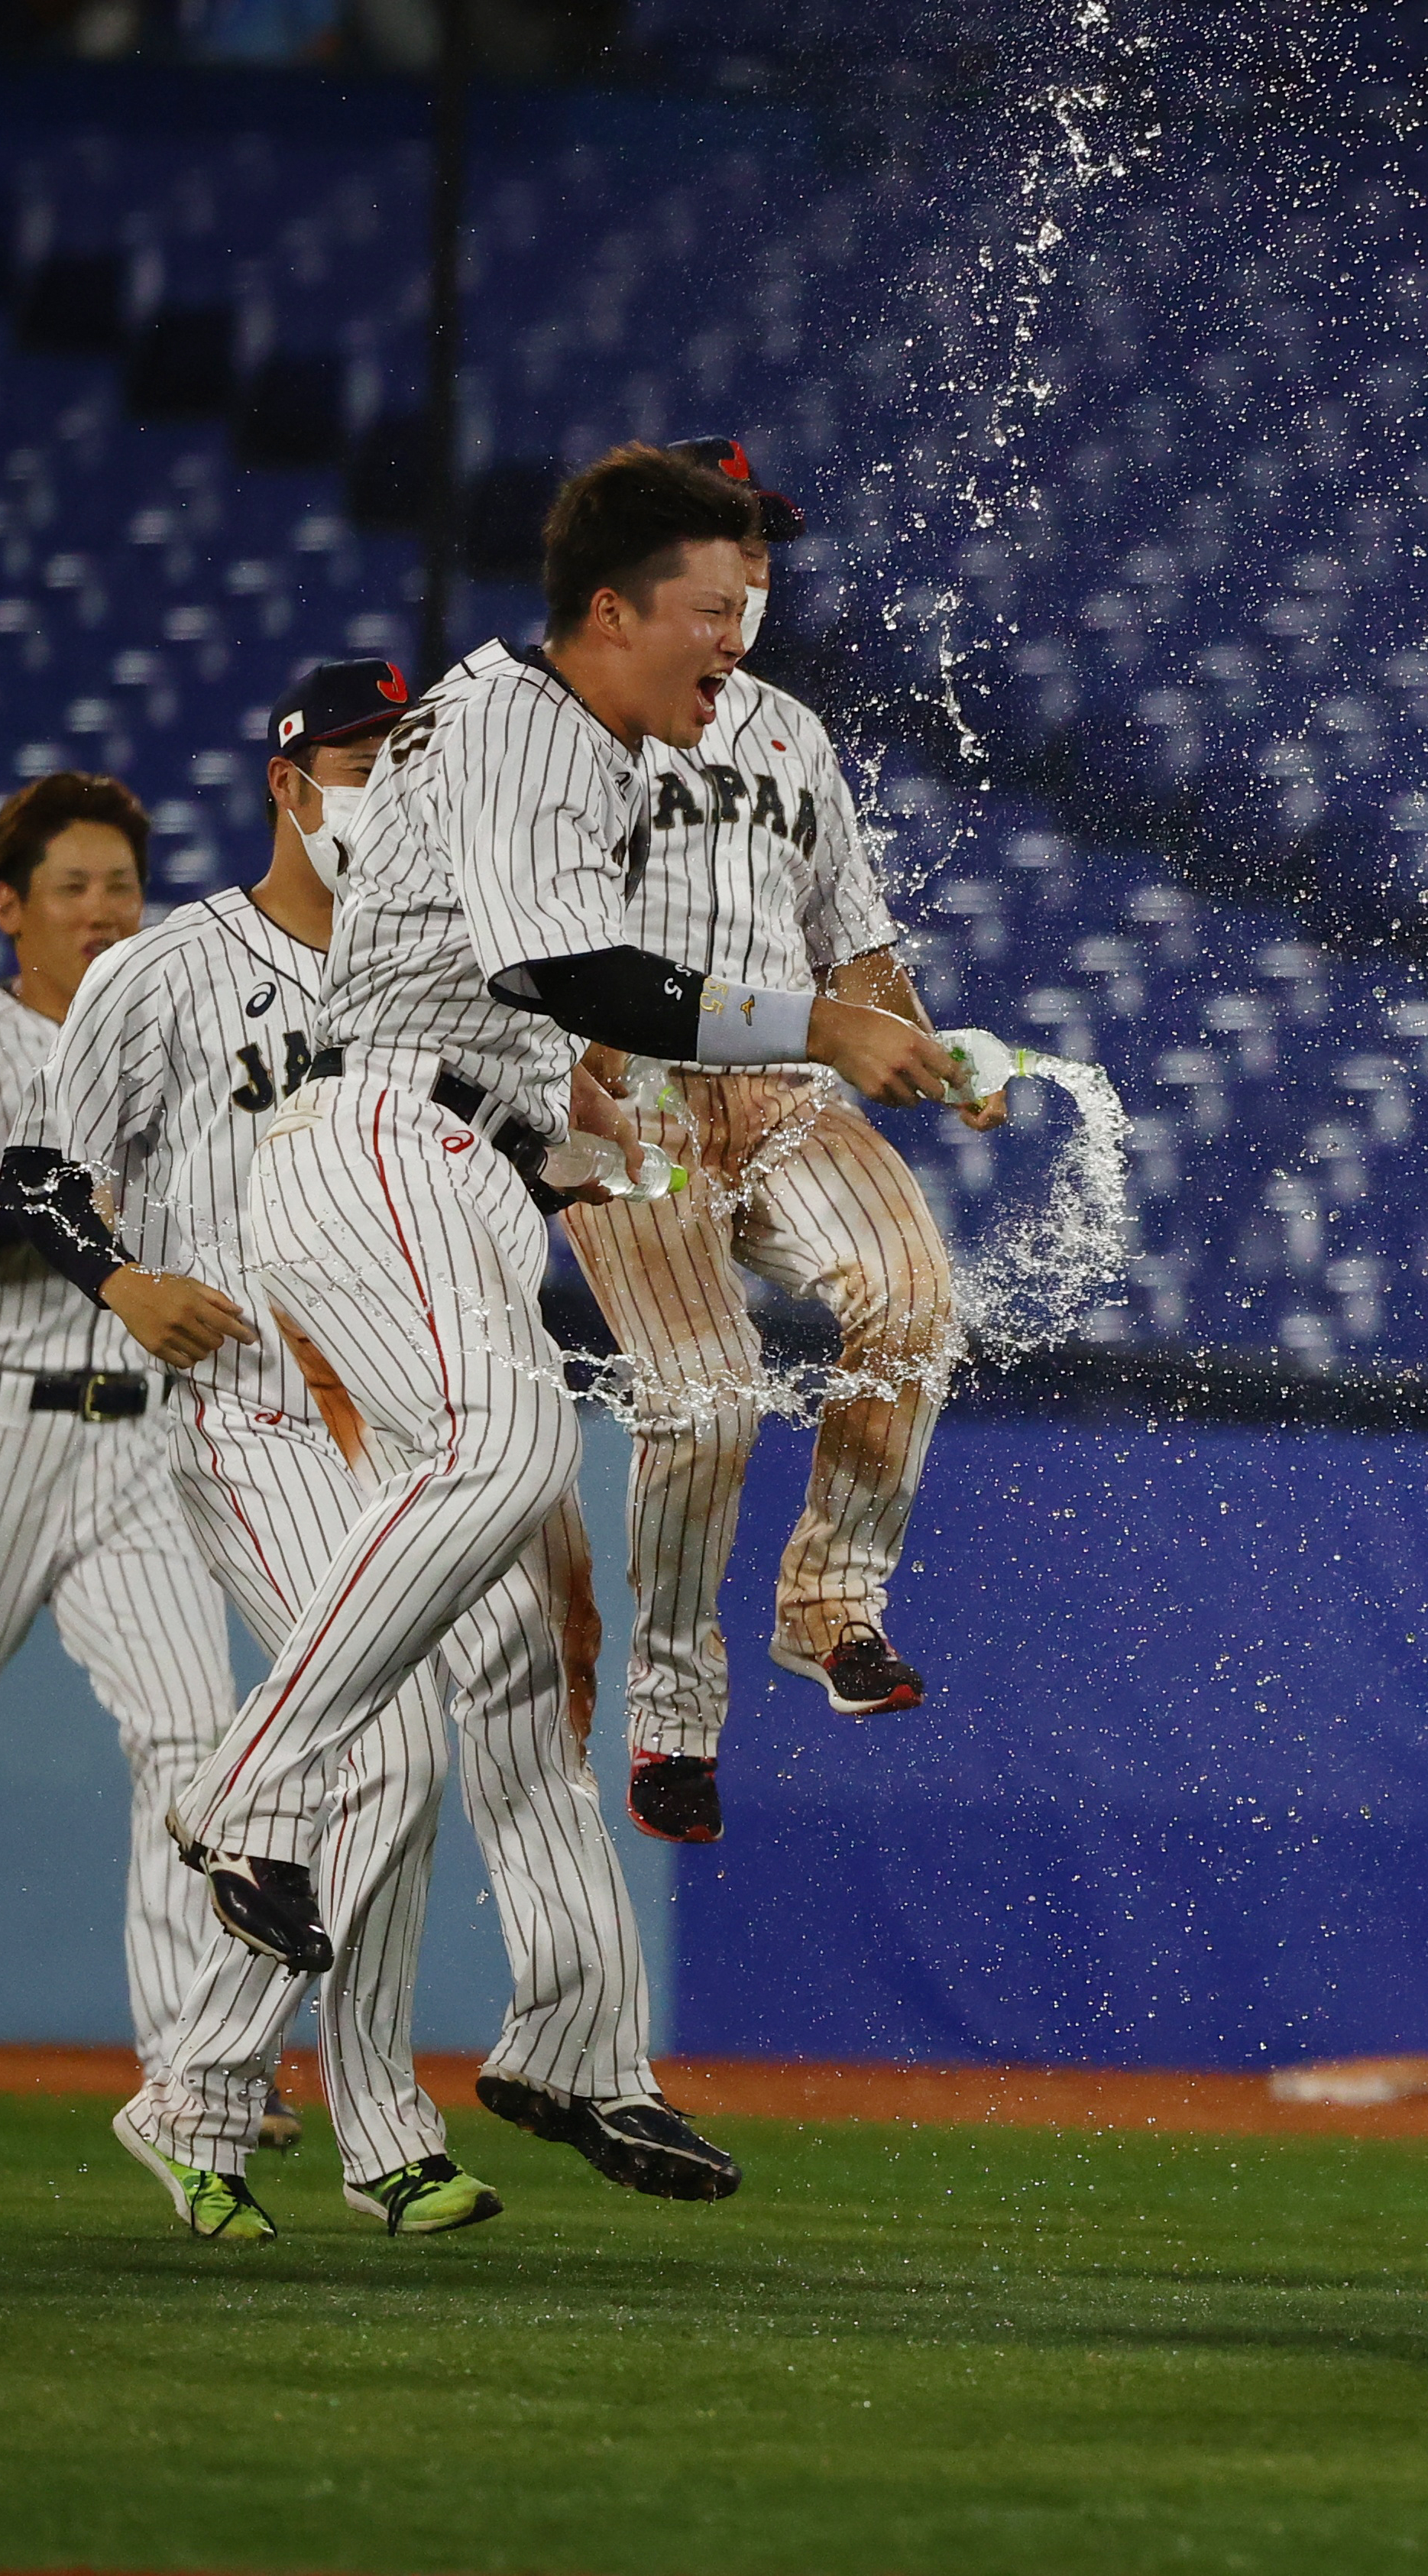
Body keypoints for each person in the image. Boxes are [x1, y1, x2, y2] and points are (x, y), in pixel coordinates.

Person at [154, 444, 950, 1992]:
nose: (741, 634)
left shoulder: (565, 731)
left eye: (747, 602)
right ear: (613, 609)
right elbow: (569, 981)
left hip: (460, 1138)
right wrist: (828, 1028)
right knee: (506, 1458)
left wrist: (558, 1127)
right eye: (712, 608)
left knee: (502, 1514)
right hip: (384, 1136)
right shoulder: (531, 727)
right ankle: (256, 1793)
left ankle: (294, 1818)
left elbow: (496, 1001)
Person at [16, 659, 714, 2234]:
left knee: (517, 1697)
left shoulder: (460, 970)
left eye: (405, 759)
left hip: (410, 1417)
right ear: (284, 782)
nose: (382, 788)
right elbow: (34, 1178)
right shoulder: (171, 967)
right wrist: (122, 1280)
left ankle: (464, 2086)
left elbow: (522, 1171)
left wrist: (618, 1171)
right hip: (254, 1412)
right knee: (382, 1750)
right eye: (352, 760)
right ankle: (290, 2105)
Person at [555, 435, 997, 1846]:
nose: (754, 566)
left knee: (917, 1302)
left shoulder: (788, 730)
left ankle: (831, 1604)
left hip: (789, 1085)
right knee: (707, 1400)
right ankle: (674, 1720)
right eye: (730, 537)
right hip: (634, 1097)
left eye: (764, 545)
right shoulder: (569, 724)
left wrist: (923, 1043)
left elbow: (850, 941)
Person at [0, 772, 239, 2216]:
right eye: (72, 887)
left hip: (146, 1448)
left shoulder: (177, 1043)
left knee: (199, 1748)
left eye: (121, 887)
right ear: (11, 908)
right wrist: (48, 1208)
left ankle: (193, 2083)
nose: (103, 910)